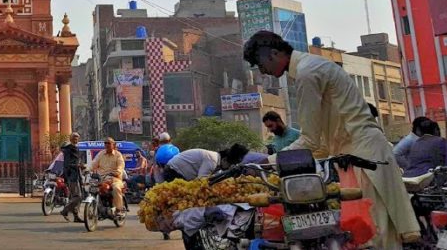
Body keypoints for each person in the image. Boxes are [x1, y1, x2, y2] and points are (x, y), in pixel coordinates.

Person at [243, 30, 420, 248]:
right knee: (375, 234)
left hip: (362, 156)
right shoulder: (312, 66)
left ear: (274, 53)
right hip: (356, 154)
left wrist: (267, 162)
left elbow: (311, 141)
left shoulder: (307, 74)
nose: (264, 72)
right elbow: (319, 145)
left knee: (375, 234)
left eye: (261, 66)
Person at [163, 144, 247, 182]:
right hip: (173, 171)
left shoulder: (215, 161)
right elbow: (201, 181)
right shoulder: (212, 160)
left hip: (178, 172)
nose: (228, 167)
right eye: (229, 164)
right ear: (224, 159)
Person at [88, 137, 126, 213]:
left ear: (113, 145)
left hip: (114, 178)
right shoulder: (101, 154)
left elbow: (121, 165)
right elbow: (94, 164)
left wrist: (117, 171)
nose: (106, 145)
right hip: (102, 178)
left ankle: (118, 209)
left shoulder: (118, 155)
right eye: (105, 143)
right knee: (93, 188)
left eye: (109, 143)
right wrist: (87, 170)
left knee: (116, 188)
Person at [60, 132, 85, 223]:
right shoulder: (68, 149)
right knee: (78, 196)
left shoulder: (76, 148)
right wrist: (77, 166)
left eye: (77, 137)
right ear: (70, 139)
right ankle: (65, 210)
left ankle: (76, 216)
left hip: (77, 175)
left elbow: (77, 161)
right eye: (74, 137)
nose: (76, 139)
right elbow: (67, 164)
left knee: (78, 196)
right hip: (71, 175)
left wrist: (80, 165)